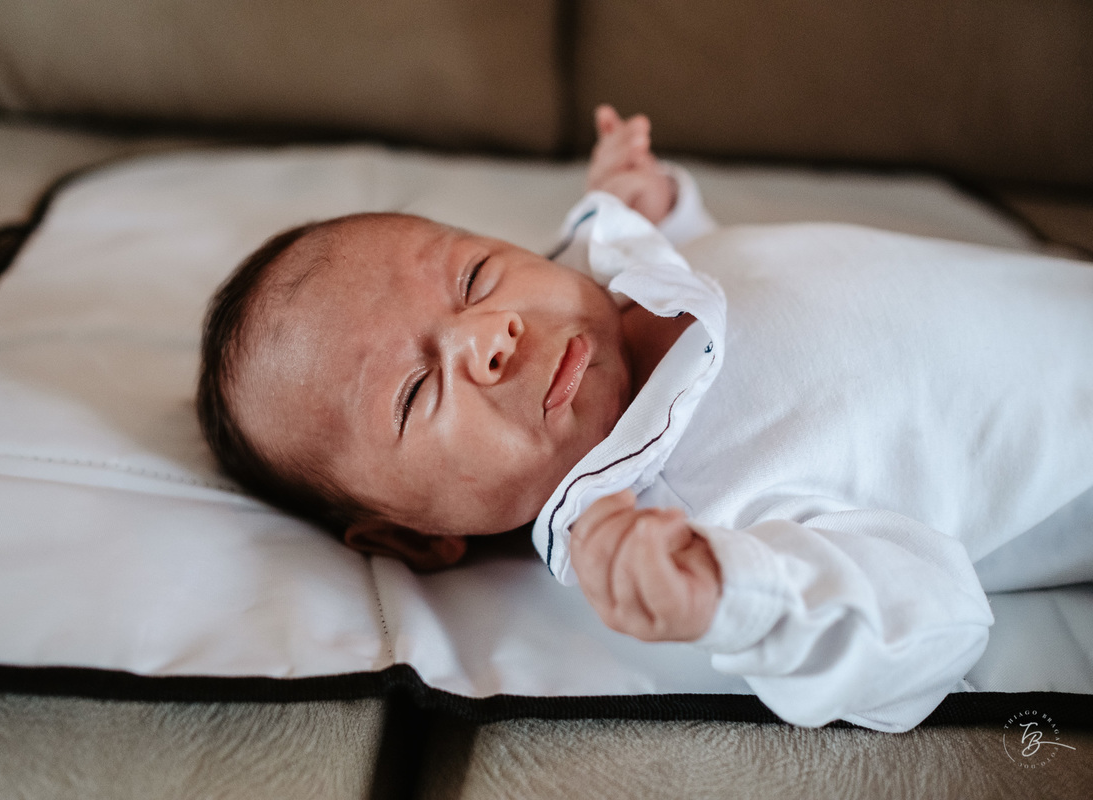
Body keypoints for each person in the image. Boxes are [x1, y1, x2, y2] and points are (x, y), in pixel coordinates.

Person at [197, 106, 1093, 731]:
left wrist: (663, 212)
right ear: (416, 538)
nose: (488, 335)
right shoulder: (683, 513)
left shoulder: (616, 267)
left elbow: (727, 276)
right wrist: (736, 597)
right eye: (415, 392)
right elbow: (927, 625)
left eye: (471, 275)